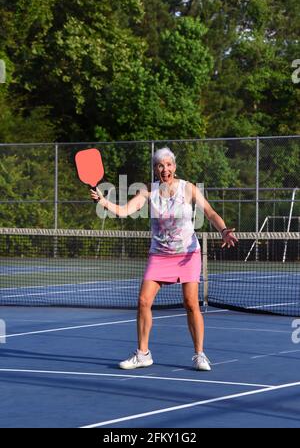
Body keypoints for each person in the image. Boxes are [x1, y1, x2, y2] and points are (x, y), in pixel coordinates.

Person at [90, 147, 237, 371]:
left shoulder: (188, 189)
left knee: (190, 303)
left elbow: (210, 213)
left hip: (188, 254)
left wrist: (224, 230)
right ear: (155, 169)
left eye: (168, 165)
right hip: (159, 255)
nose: (165, 169)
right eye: (160, 165)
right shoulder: (148, 191)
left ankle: (199, 354)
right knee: (143, 301)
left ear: (174, 167)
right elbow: (125, 210)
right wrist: (103, 202)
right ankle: (143, 354)